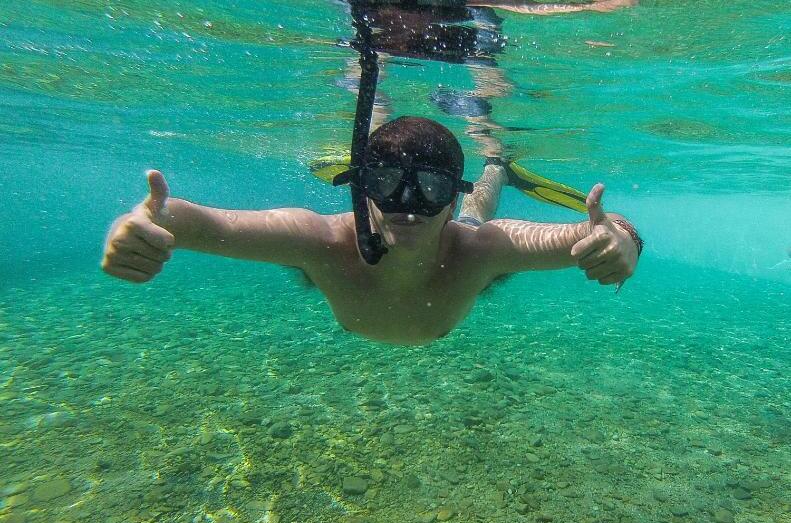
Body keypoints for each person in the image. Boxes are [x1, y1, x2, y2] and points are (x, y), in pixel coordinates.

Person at [102, 117, 641, 345]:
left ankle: (494, 164)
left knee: (484, 211)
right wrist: (143, 221)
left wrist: (620, 241)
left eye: (430, 187)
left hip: (466, 227)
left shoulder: (480, 248)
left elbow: (594, 232)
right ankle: (482, 166)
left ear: (448, 197)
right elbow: (205, 223)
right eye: (386, 181)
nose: (408, 204)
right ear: (362, 192)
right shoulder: (316, 239)